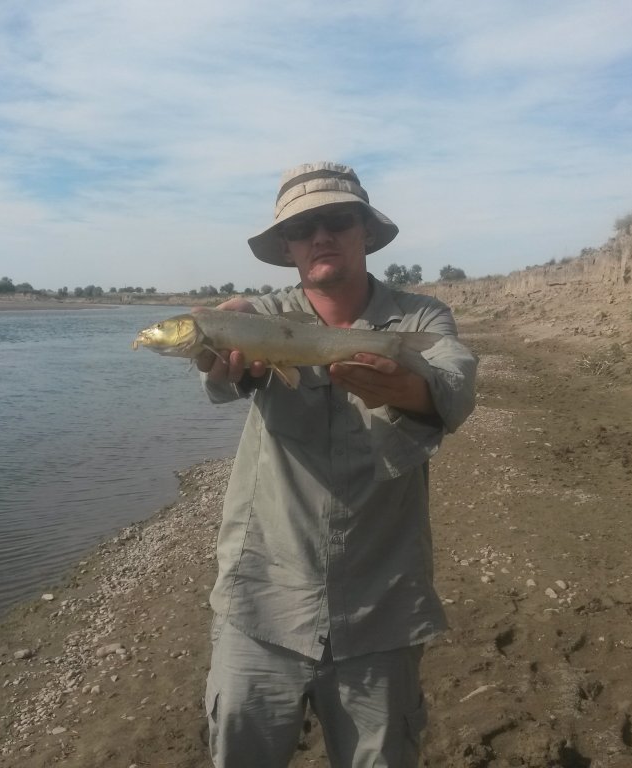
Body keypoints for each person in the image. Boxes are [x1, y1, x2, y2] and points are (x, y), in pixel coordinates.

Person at [197, 161, 477, 768]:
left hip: (381, 609)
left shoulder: (420, 317)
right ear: (287, 248)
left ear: (365, 231)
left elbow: (455, 387)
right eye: (302, 228)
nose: (320, 236)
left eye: (337, 220)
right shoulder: (261, 317)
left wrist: (404, 386)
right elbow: (218, 381)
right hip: (261, 600)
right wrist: (215, 348)